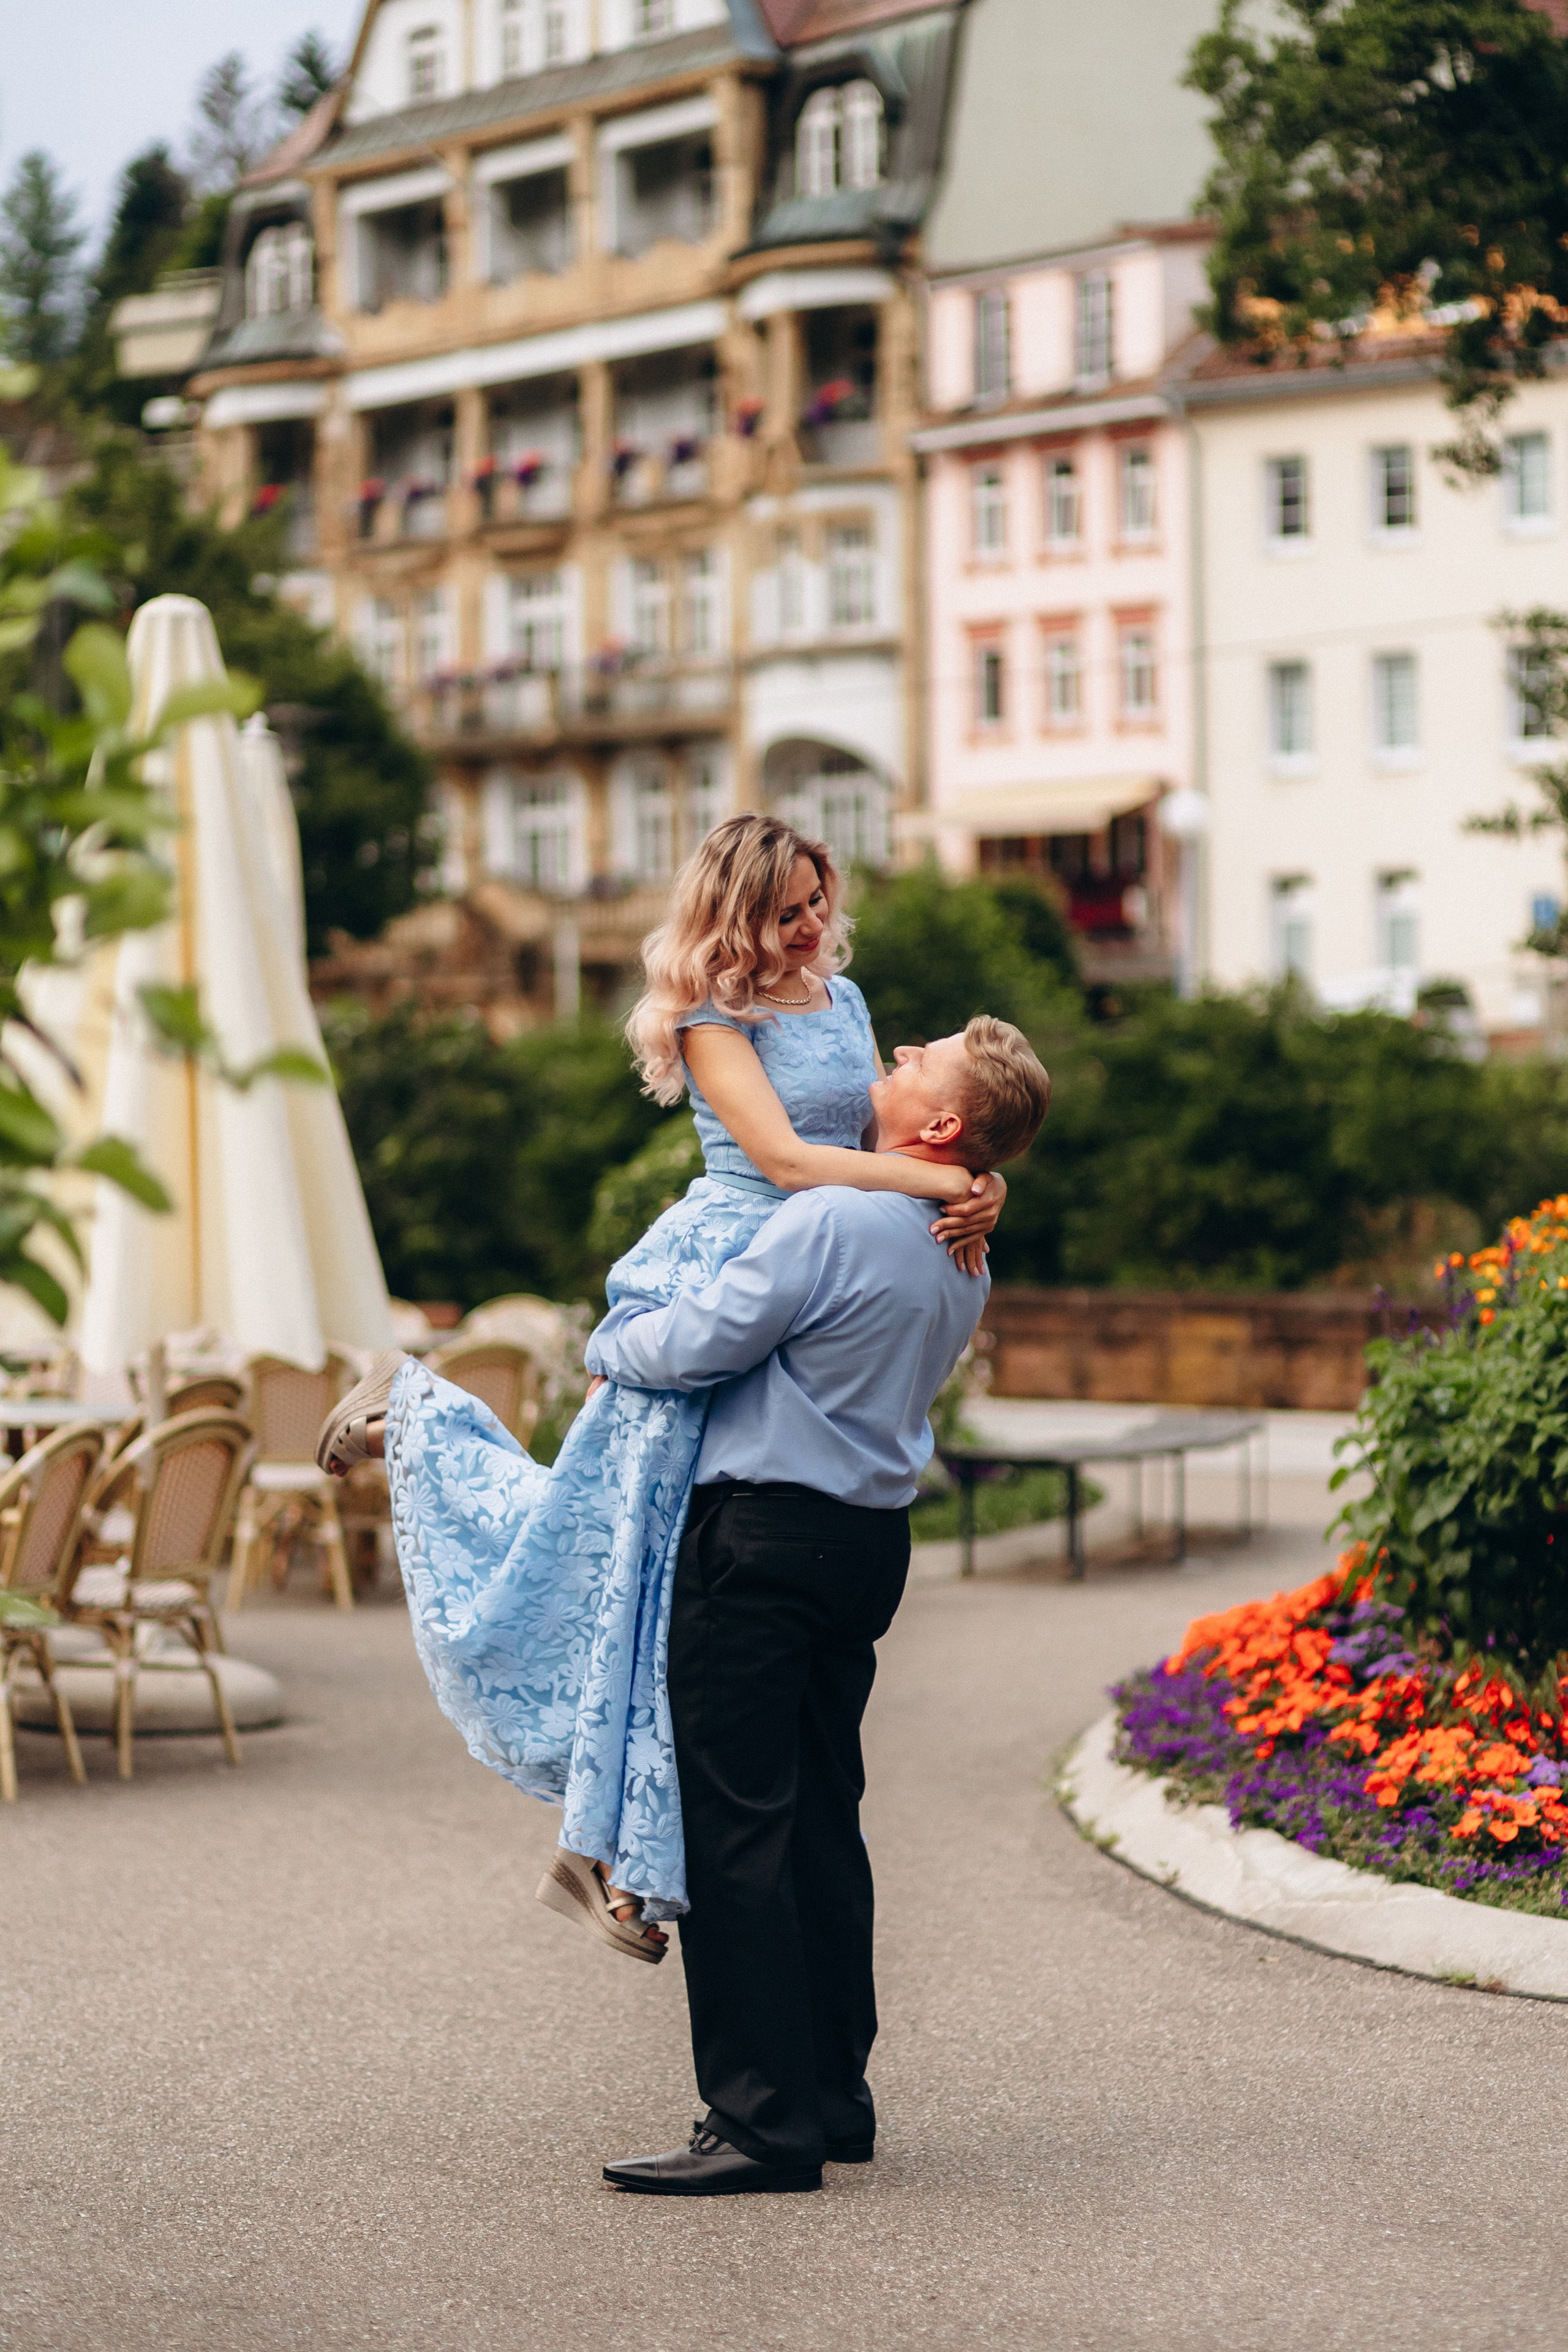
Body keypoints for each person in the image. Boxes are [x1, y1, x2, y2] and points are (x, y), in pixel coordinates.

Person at [317, 815, 1005, 1956]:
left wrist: (975, 1185)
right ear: (733, 913)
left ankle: (611, 1855)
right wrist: (945, 1181)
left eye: (817, 905)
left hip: (813, 1275)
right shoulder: (708, 1013)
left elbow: (915, 1130)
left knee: (655, 1571)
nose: (809, 929)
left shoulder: (843, 1001)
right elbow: (787, 1163)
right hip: (729, 1268)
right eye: (784, 913)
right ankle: (418, 1418)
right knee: (623, 1552)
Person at [586, 1016, 1052, 2195]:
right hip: (866, 1545)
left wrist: (614, 1342)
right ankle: (836, 2100)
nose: (890, 1055)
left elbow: (700, 1343)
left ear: (939, 1124)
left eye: (915, 1063)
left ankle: (759, 2124)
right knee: (820, 1824)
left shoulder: (836, 1215)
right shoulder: (963, 1242)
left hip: (764, 1537)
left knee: (738, 1828)